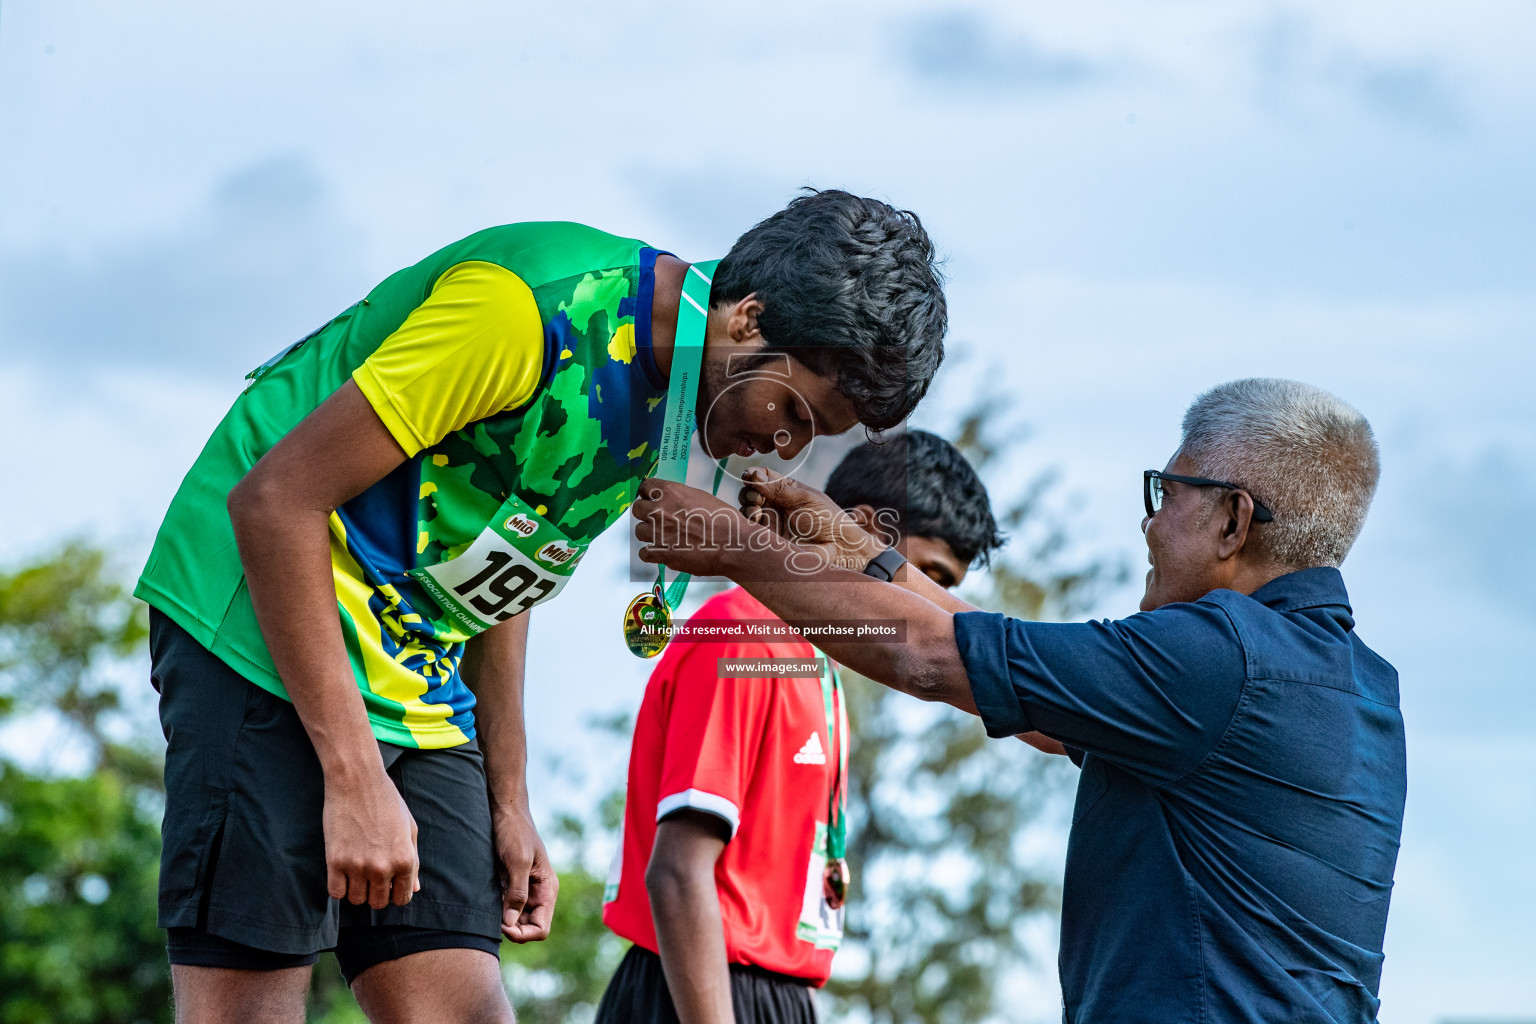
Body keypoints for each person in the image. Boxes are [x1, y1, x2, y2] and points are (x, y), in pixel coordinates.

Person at [134, 190, 947, 1023]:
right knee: (254, 1005)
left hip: (416, 665)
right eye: (799, 412)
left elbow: (513, 562)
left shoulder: (675, 398)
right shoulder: (528, 311)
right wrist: (353, 776)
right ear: (748, 319)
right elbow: (273, 502)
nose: (790, 447)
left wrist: (508, 797)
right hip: (261, 619)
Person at [633, 379, 1406, 1023]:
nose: (1148, 520)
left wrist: (731, 542)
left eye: (1165, 494)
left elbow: (932, 656)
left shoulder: (1218, 659)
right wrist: (871, 559)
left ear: (1233, 519)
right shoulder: (1356, 686)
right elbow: (1026, 680)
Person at [597, 430, 1003, 1024]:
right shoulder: (747, 636)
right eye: (932, 576)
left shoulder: (815, 664)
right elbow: (679, 872)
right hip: (697, 993)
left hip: (771, 993)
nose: (935, 607)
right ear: (859, 530)